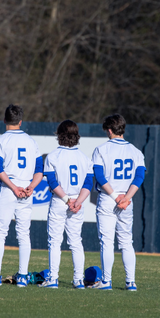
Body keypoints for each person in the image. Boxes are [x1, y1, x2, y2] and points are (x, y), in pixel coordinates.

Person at [0, 104, 43, 287]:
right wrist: (30, 187)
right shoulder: (31, 142)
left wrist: (14, 187)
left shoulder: (0, 141)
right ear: (21, 121)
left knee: (0, 233)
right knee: (24, 234)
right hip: (26, 192)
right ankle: (22, 277)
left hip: (10, 190)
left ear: (4, 120)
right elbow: (40, 170)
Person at [89, 113, 145, 291]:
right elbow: (140, 176)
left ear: (110, 130)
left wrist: (116, 197)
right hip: (126, 201)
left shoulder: (101, 149)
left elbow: (99, 176)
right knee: (127, 242)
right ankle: (131, 282)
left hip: (108, 198)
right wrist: (126, 198)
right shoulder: (135, 151)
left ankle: (106, 281)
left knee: (107, 242)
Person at [41, 120, 94, 289]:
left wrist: (66, 200)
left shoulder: (53, 156)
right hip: (77, 202)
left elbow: (51, 181)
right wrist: (77, 202)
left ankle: (53, 279)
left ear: (59, 135)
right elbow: (88, 183)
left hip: (60, 201)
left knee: (55, 241)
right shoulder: (84, 157)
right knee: (76, 241)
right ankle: (78, 280)